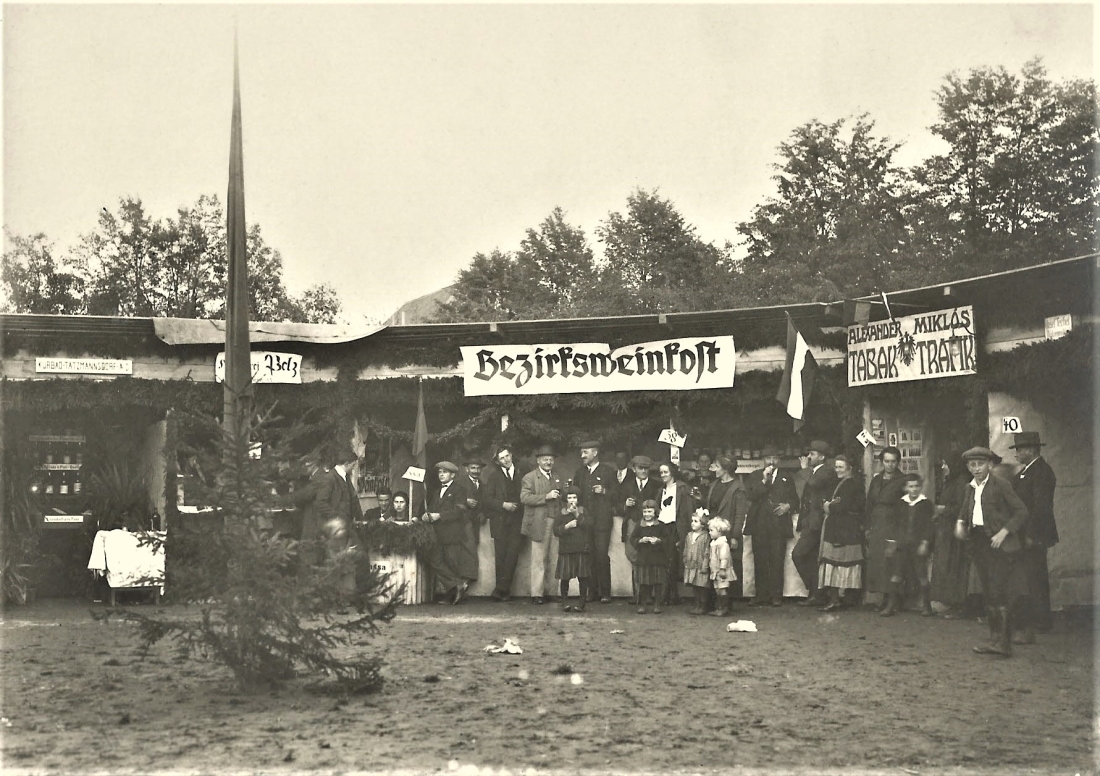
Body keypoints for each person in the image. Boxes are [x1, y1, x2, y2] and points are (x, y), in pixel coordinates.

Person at [958, 446, 1030, 658]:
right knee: (988, 591)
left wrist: (1004, 532)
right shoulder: (969, 488)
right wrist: (961, 523)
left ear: (990, 465)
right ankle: (994, 639)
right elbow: (965, 509)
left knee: (999, 591)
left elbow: (1021, 512)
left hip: (1000, 545)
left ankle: (1004, 643)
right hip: (979, 542)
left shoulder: (1001, 485)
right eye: (972, 464)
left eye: (980, 464)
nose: (976, 468)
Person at [1009, 431, 1058, 643]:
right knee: (1031, 576)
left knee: (1036, 576)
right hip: (1027, 532)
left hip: (1035, 533)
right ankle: (1037, 618)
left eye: (1019, 449)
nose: (1017, 453)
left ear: (1031, 450)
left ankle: (1042, 620)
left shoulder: (1041, 472)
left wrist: (1030, 533)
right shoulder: (1027, 471)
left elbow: (1041, 507)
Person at [744, 445, 799, 607]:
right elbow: (752, 495)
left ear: (779, 460)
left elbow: (795, 499)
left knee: (777, 559)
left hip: (778, 524)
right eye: (768, 458)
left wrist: (787, 506)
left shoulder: (786, 477)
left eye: (775, 458)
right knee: (760, 559)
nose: (772, 462)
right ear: (763, 460)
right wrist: (764, 479)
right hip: (759, 524)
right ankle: (761, 595)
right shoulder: (755, 476)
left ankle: (776, 595)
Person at [422, 461, 476, 605]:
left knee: (452, 563)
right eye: (439, 472)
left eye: (444, 472)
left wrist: (439, 516)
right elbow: (433, 508)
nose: (441, 475)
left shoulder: (459, 490)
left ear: (452, 475)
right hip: (437, 533)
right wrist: (427, 515)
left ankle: (454, 594)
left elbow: (459, 511)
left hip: (453, 533)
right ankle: (457, 586)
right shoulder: (436, 491)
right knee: (436, 561)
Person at [881, 473, 935, 617]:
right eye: (911, 486)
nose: (914, 489)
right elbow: (895, 524)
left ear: (921, 487)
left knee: (921, 574)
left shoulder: (926, 504)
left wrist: (925, 542)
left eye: (917, 486)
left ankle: (926, 605)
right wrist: (892, 542)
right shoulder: (900, 503)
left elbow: (929, 526)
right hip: (902, 544)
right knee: (896, 574)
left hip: (918, 544)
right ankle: (891, 605)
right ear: (906, 488)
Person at [818, 454, 866, 612]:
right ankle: (837, 598)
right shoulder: (839, 483)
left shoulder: (852, 484)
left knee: (841, 562)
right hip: (838, 527)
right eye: (836, 467)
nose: (837, 470)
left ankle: (841, 599)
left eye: (841, 467)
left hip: (845, 528)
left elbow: (843, 505)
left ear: (849, 468)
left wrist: (828, 506)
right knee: (834, 562)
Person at [571, 440, 617, 603]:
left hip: (602, 521)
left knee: (601, 555)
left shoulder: (608, 471)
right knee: (588, 556)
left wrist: (604, 491)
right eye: (581, 452)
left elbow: (617, 495)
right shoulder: (579, 473)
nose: (582, 456)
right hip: (585, 521)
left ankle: (605, 592)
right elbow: (574, 494)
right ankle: (592, 592)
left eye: (585, 452)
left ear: (595, 453)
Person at [792, 440, 836, 605]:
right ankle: (815, 594)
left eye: (812, 454)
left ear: (822, 457)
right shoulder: (816, 471)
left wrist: (804, 469)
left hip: (817, 522)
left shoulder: (826, 471)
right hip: (809, 521)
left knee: (798, 554)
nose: (809, 457)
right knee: (810, 558)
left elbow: (813, 484)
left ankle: (817, 592)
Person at [520, 445, 565, 604]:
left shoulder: (557, 477)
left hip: (555, 523)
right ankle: (537, 594)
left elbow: (560, 500)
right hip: (539, 523)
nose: (548, 462)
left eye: (551, 459)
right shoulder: (530, 478)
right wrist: (546, 496)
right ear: (538, 461)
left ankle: (552, 592)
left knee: (554, 558)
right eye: (545, 459)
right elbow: (524, 498)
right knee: (539, 559)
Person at [865, 446, 907, 605]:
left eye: (893, 461)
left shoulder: (903, 480)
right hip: (877, 524)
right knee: (879, 561)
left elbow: (905, 505)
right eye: (887, 461)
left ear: (898, 462)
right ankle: (884, 597)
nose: (890, 465)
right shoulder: (876, 480)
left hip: (893, 523)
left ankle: (893, 600)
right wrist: (868, 526)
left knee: (891, 562)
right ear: (882, 462)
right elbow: (869, 503)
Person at [930, 451, 971, 618]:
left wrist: (942, 509)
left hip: (955, 531)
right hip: (946, 530)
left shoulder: (960, 482)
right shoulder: (951, 481)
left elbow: (962, 507)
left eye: (946, 464)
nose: (943, 467)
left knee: (955, 566)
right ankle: (948, 602)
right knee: (947, 565)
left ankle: (957, 604)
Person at [482, 445, 523, 601]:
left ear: (511, 455)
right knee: (500, 557)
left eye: (507, 456)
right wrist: (503, 505)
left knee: (512, 556)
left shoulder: (521, 472)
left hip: (517, 521)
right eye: (501, 458)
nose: (505, 460)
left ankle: (500, 589)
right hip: (500, 522)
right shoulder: (494, 477)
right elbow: (487, 499)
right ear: (498, 462)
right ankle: (503, 592)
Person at [705, 454, 749, 599]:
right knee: (713, 565)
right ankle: (714, 601)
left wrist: (735, 536)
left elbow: (739, 515)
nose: (714, 469)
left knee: (726, 567)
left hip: (728, 534)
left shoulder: (738, 488)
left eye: (716, 466)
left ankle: (727, 603)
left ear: (725, 469)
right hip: (714, 532)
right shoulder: (714, 485)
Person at [620, 455, 661, 603]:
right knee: (633, 556)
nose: (643, 471)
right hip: (632, 523)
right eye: (640, 468)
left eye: (646, 469)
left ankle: (648, 595)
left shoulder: (656, 485)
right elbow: (617, 506)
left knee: (649, 556)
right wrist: (625, 505)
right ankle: (637, 594)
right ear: (634, 469)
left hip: (650, 525)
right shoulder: (627, 486)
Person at [657, 462, 694, 605]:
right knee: (666, 561)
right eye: (661, 472)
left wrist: (685, 531)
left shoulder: (682, 488)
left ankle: (672, 594)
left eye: (665, 472)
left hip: (676, 528)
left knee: (673, 561)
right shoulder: (662, 490)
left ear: (672, 472)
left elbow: (689, 509)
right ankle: (668, 593)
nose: (663, 475)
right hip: (663, 527)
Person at [554, 487, 592, 612]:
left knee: (583, 577)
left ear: (578, 499)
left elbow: (589, 526)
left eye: (574, 498)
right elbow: (556, 531)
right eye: (569, 498)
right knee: (565, 577)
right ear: (565, 499)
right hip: (566, 549)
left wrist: (576, 515)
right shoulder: (561, 512)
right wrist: (566, 526)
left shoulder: (583, 511)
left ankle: (582, 602)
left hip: (581, 548)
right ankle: (564, 601)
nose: (572, 500)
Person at [630, 500, 669, 614]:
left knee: (657, 582)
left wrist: (658, 541)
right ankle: (642, 604)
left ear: (655, 512)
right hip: (644, 559)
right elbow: (632, 539)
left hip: (657, 559)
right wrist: (640, 540)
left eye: (650, 511)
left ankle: (657, 604)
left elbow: (667, 540)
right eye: (645, 511)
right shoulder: (639, 525)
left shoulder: (661, 526)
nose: (647, 514)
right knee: (643, 583)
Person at [682, 508, 711, 615]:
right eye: (692, 521)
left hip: (700, 566)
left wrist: (705, 565)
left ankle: (703, 606)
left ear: (703, 524)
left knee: (701, 586)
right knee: (694, 586)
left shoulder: (705, 537)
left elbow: (707, 552)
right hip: (691, 565)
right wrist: (685, 559)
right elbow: (686, 548)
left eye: (696, 521)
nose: (692, 523)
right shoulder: (689, 535)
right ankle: (697, 604)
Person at [707, 516, 735, 617]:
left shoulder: (723, 544)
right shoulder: (714, 543)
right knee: (718, 589)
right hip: (715, 571)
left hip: (722, 571)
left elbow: (724, 558)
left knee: (722, 589)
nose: (709, 532)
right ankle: (719, 607)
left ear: (719, 531)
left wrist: (722, 569)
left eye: (711, 530)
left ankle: (724, 608)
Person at [457, 458, 486, 547]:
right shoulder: (458, 483)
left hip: (476, 525)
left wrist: (483, 512)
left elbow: (486, 502)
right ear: (467, 469)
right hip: (461, 524)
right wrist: (465, 501)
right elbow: (450, 500)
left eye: (478, 468)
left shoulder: (484, 486)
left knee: (473, 549)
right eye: (473, 468)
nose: (476, 471)